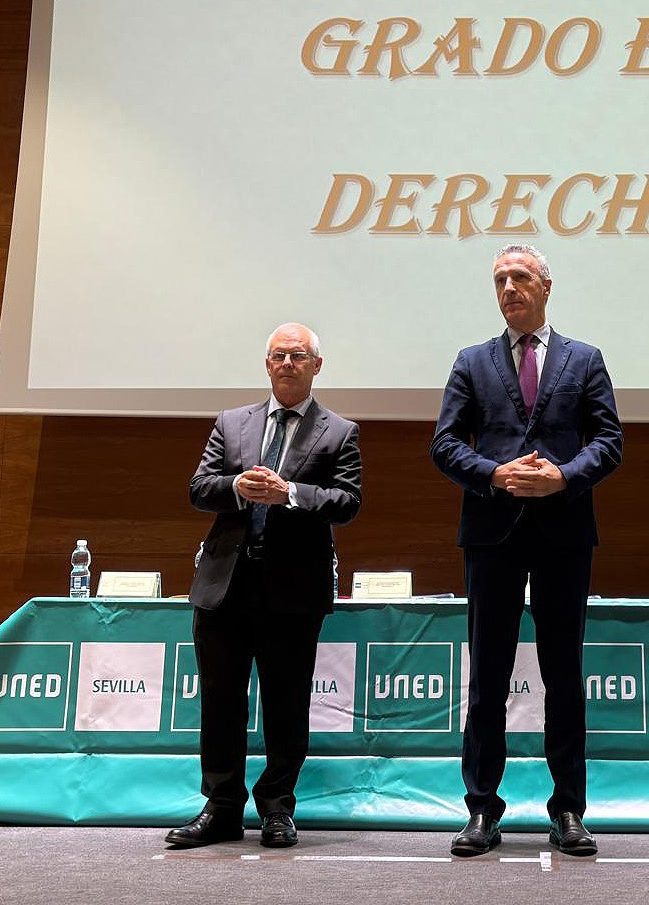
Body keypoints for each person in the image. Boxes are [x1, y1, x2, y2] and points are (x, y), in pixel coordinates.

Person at [431, 244, 623, 857]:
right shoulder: (471, 361)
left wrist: (563, 476)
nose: (508, 288)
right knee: (488, 677)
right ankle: (482, 810)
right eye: (499, 280)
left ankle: (568, 809)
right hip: (493, 533)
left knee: (564, 675)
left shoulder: (584, 359)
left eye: (519, 278)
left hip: (564, 532)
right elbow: (444, 444)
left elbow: (609, 441)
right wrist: (494, 473)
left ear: (545, 286)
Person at [166, 323, 362, 849]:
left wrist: (291, 494)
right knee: (221, 703)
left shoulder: (340, 431)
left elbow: (347, 502)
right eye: (278, 356)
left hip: (294, 590)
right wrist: (236, 486)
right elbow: (199, 488)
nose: (287, 364)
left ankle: (277, 807)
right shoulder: (232, 423)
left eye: (298, 356)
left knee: (286, 704)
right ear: (267, 364)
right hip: (225, 586)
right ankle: (222, 807)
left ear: (316, 365)